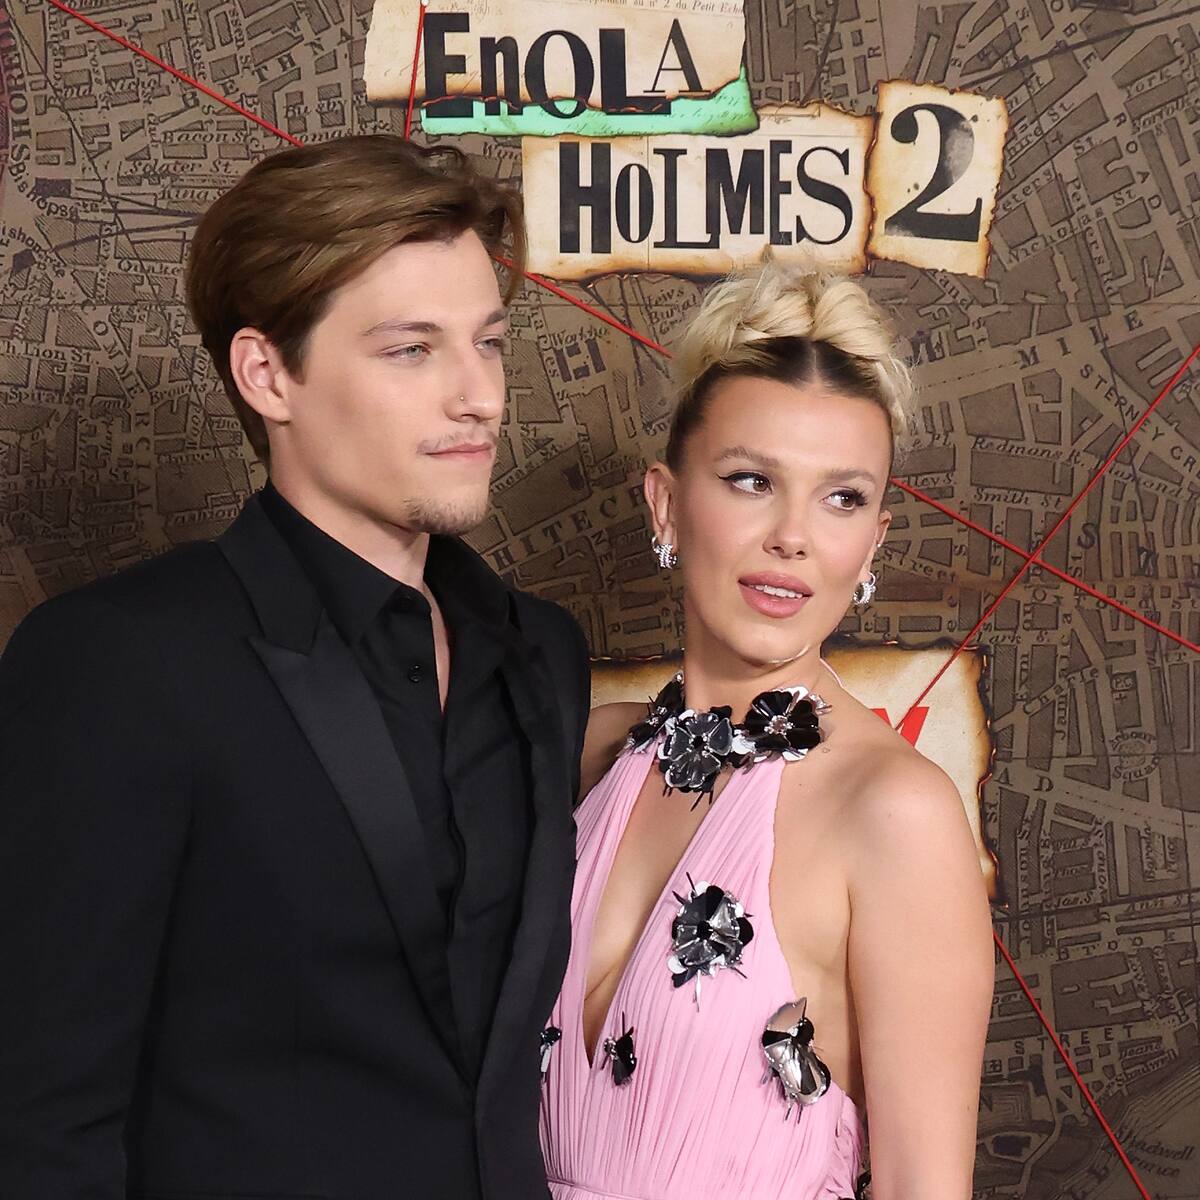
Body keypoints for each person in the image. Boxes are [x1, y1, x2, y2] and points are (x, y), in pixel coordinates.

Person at [0, 135, 590, 1200]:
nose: (480, 396)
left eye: (490, 343)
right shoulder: (121, 663)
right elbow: (43, 1123)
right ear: (267, 373)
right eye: (411, 350)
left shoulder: (542, 653)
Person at [539, 260, 994, 1200]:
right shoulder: (587, 754)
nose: (794, 535)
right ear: (667, 503)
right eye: (752, 480)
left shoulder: (893, 813)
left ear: (872, 542)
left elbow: (924, 1185)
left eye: (841, 497)